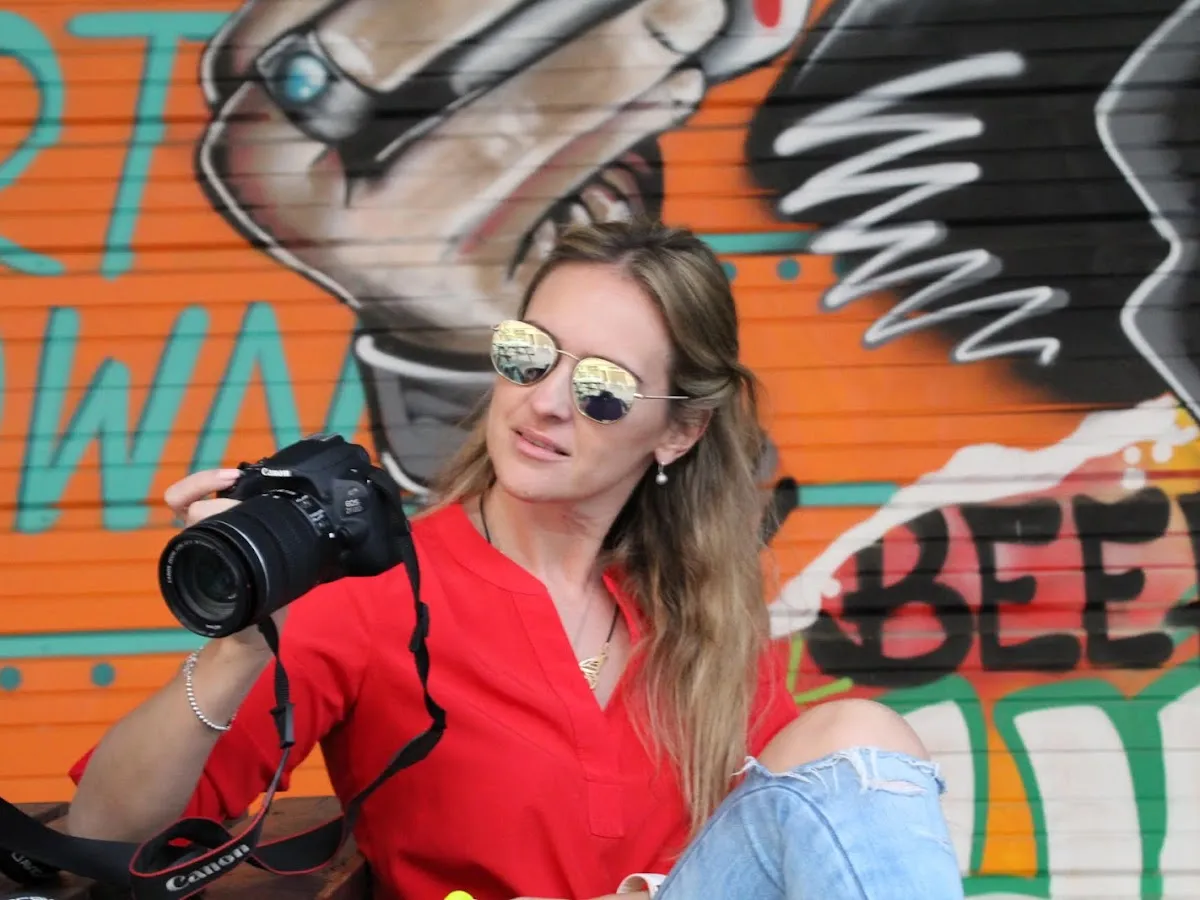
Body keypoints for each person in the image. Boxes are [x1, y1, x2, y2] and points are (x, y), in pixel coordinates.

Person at [64, 219, 964, 899]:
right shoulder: (380, 585)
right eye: (530, 355)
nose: (546, 403)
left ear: (679, 432)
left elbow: (799, 835)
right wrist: (238, 647)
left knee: (860, 737)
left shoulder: (702, 617)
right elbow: (104, 833)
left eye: (603, 388)